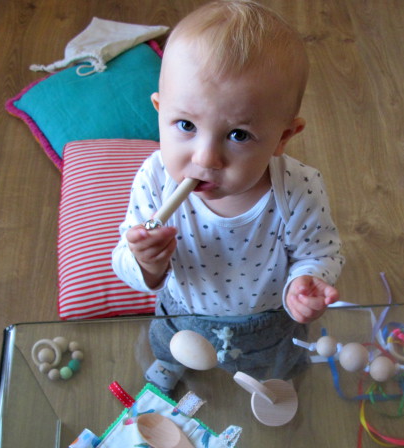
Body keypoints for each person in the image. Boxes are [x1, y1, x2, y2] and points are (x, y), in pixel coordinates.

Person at [112, 0, 344, 392]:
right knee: (168, 348)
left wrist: (306, 281)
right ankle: (171, 365)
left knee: (274, 370)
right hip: (183, 313)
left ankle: (269, 382)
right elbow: (123, 261)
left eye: (238, 135)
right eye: (185, 124)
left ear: (282, 137)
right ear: (159, 110)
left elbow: (321, 252)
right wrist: (145, 264)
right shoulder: (155, 179)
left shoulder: (298, 188)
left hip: (268, 318)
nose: (205, 158)